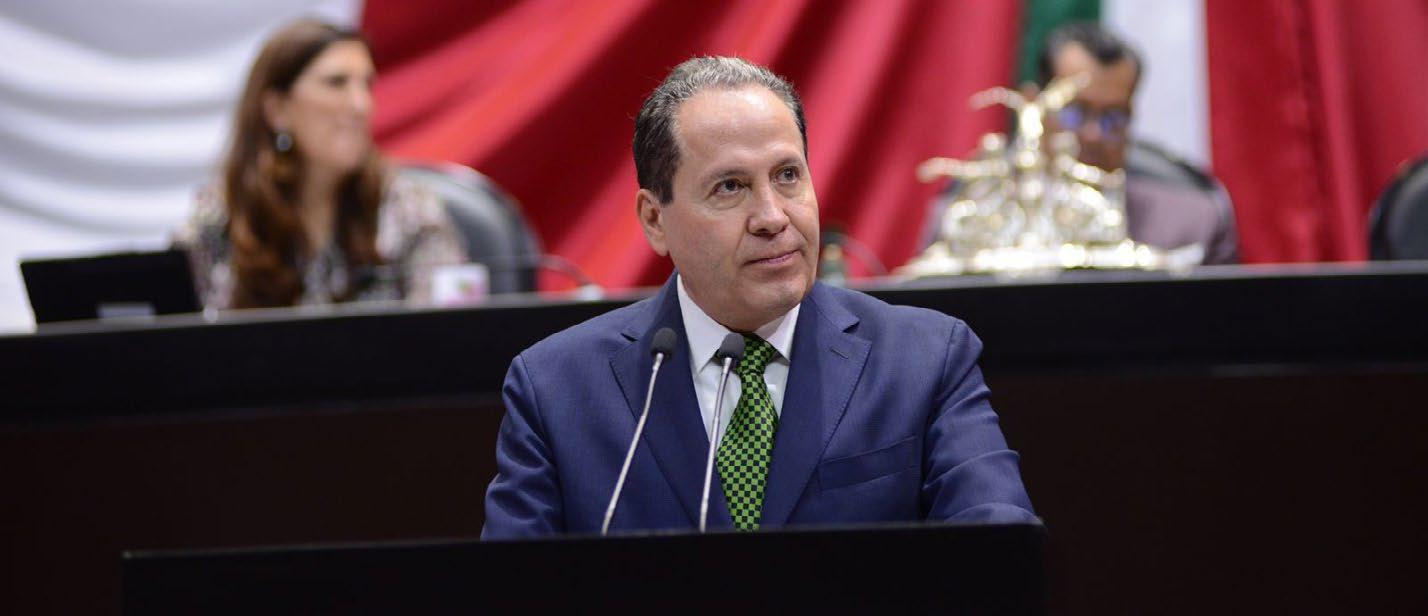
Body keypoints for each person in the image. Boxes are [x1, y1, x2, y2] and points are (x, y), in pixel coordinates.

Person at [482, 56, 1034, 538]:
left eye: (788, 175)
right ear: (655, 220)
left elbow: (1001, 550)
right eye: (731, 187)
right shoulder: (557, 389)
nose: (772, 217)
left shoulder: (924, 359)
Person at [175, 19, 464, 310]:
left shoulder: (408, 211)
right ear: (278, 110)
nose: (361, 105)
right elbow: (178, 323)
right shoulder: (223, 216)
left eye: (366, 85)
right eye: (336, 83)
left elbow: (448, 328)